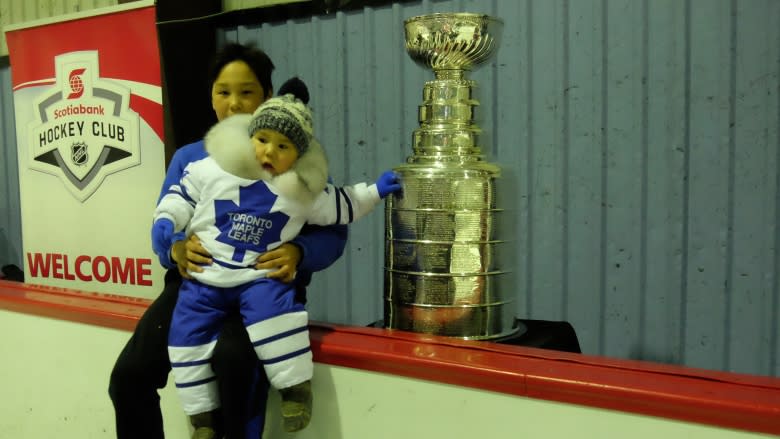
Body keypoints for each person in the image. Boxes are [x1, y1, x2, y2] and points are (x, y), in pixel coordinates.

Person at [108, 43, 348, 439]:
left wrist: (299, 251)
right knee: (130, 376)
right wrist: (175, 248)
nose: (234, 103)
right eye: (223, 91)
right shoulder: (189, 158)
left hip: (264, 288)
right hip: (196, 285)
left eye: (247, 92)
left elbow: (334, 230)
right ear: (211, 97)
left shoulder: (297, 157)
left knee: (234, 363)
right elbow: (166, 218)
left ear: (267, 97)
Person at [151, 77, 401, 437]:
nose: (269, 152)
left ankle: (296, 389)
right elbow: (179, 196)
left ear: (298, 154)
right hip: (205, 278)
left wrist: (375, 191)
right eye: (263, 140)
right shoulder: (209, 166)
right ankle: (201, 418)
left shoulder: (301, 189)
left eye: (282, 146)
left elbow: (342, 206)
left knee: (279, 320)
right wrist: (167, 228)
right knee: (184, 338)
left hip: (258, 279)